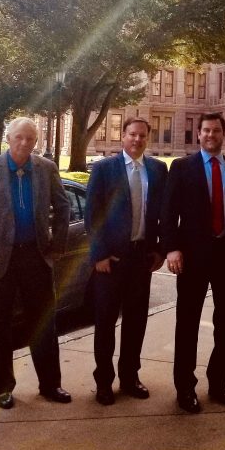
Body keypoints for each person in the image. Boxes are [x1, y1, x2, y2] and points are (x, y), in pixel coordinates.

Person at [0, 117, 72, 409]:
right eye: (19, 137)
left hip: (35, 255)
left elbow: (63, 205)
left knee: (44, 323)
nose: (25, 143)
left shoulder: (46, 168)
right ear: (9, 138)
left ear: (36, 142)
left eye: (31, 139)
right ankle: (3, 388)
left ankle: (50, 384)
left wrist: (57, 244)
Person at [162, 113, 225, 412]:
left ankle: (218, 383)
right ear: (198, 135)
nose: (210, 135)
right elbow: (168, 212)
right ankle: (185, 388)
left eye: (216, 130)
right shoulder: (181, 167)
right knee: (187, 323)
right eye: (205, 130)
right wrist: (172, 248)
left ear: (223, 134)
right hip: (191, 258)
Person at [85, 117, 167, 406]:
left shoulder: (157, 169)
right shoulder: (105, 168)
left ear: (148, 138)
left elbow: (162, 215)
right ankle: (104, 383)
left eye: (142, 136)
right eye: (132, 134)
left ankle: (130, 377)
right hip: (111, 260)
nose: (137, 140)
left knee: (136, 322)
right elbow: (92, 214)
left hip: (140, 258)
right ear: (123, 136)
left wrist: (159, 250)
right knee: (105, 323)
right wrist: (99, 255)